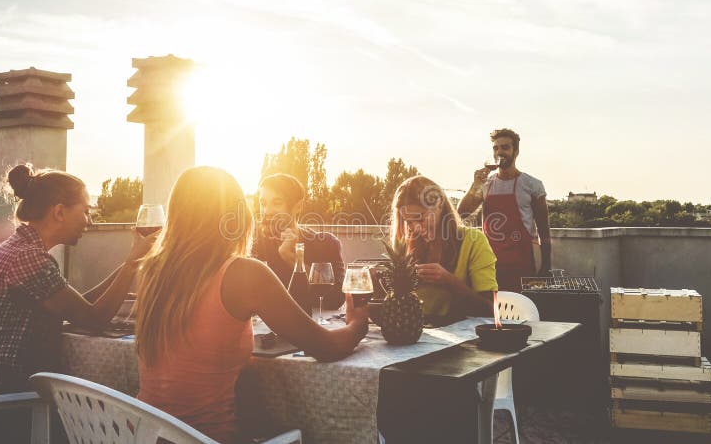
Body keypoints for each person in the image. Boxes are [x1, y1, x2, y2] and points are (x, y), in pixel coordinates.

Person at [135, 167, 368, 443]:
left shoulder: (151, 271)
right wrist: (358, 324)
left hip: (141, 436)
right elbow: (326, 347)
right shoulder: (243, 273)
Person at [0, 164, 153, 395]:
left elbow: (77, 307)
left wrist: (131, 262)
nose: (90, 221)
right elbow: (94, 319)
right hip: (6, 397)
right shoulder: (28, 259)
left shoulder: (22, 248)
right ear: (59, 212)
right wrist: (130, 267)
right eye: (85, 211)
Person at [390, 176, 496, 324]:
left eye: (420, 218)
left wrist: (449, 281)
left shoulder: (473, 241)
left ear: (439, 204)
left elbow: (490, 310)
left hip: (462, 339)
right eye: (408, 222)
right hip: (416, 335)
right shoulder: (405, 245)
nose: (416, 229)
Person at [458, 128, 552, 291]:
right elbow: (462, 212)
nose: (499, 152)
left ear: (516, 151)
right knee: (491, 312)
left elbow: (544, 231)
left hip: (522, 264)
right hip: (488, 263)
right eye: (496, 148)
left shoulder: (532, 185)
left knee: (521, 310)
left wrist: (546, 267)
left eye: (505, 148)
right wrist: (475, 185)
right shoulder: (485, 184)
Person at [251, 173, 345, 310]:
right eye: (263, 203)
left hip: (315, 328)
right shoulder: (252, 245)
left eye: (277, 203)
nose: (267, 211)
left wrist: (290, 257)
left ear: (298, 207)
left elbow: (335, 300)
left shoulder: (326, 244)